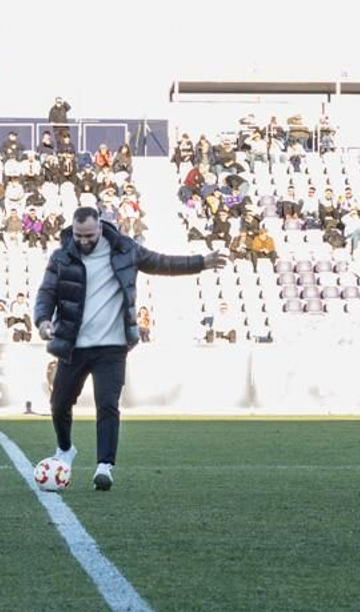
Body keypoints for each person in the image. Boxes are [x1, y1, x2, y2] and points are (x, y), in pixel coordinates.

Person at [34, 207, 223, 491]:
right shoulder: (61, 256)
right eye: (77, 235)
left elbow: (162, 263)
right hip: (73, 345)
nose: (83, 241)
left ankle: (104, 466)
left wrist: (201, 262)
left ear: (100, 228)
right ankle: (65, 449)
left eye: (88, 235)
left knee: (107, 405)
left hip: (113, 346)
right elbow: (46, 293)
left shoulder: (125, 249)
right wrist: (43, 320)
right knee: (59, 404)